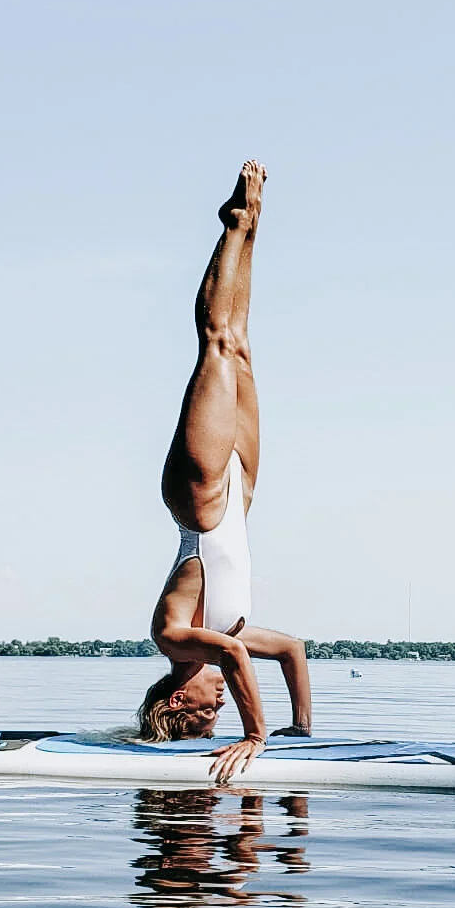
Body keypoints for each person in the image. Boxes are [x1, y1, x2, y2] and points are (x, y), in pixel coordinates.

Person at [140, 161, 312, 784]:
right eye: (220, 723)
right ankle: (252, 227)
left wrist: (256, 737)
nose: (217, 717)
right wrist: (302, 734)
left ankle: (235, 225)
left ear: (175, 702)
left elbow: (235, 656)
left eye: (205, 722)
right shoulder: (229, 628)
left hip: (201, 497)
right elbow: (291, 651)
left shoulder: (175, 639)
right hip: (238, 500)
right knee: (241, 346)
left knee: (214, 342)